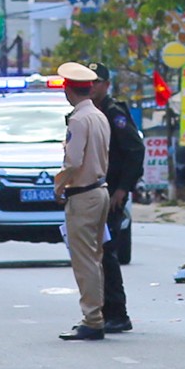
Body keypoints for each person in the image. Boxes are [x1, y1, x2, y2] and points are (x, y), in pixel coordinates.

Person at [55, 64, 113, 341]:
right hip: (100, 190)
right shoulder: (99, 116)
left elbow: (74, 161)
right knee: (95, 258)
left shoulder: (78, 120)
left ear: (68, 90)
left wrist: (59, 183)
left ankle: (92, 319)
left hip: (83, 195)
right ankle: (96, 315)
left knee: (84, 261)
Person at [99, 75, 145, 335]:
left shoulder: (113, 113)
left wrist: (123, 189)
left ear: (106, 85)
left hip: (112, 194)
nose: (90, 87)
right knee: (98, 253)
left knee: (106, 251)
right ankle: (104, 310)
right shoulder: (91, 112)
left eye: (95, 82)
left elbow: (135, 150)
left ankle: (117, 312)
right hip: (96, 191)